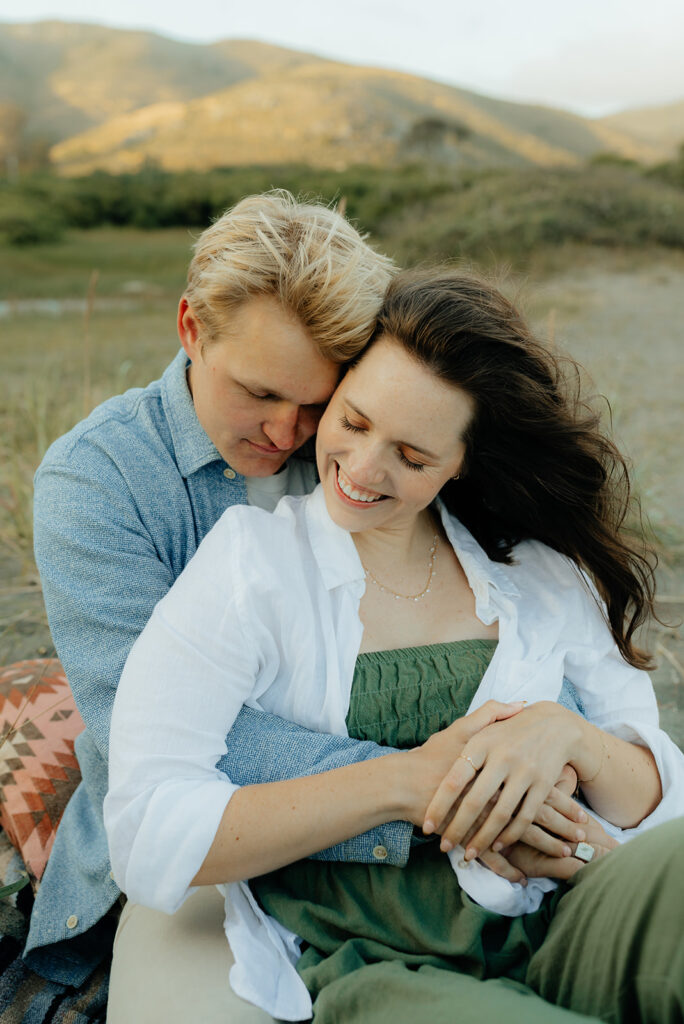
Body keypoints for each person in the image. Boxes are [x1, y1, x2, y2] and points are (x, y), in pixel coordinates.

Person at [105, 269, 684, 1023]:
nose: (365, 468)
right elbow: (148, 828)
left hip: (571, 917)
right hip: (379, 964)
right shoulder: (252, 568)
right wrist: (409, 784)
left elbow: (659, 795)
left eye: (413, 457)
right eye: (353, 421)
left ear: (461, 462)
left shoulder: (538, 570)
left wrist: (565, 738)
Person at [28, 191, 426, 1003]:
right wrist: (424, 786)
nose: (288, 433)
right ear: (190, 328)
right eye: (259, 393)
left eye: (317, 402)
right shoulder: (94, 482)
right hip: (203, 850)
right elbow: (156, 741)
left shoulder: (373, 452)